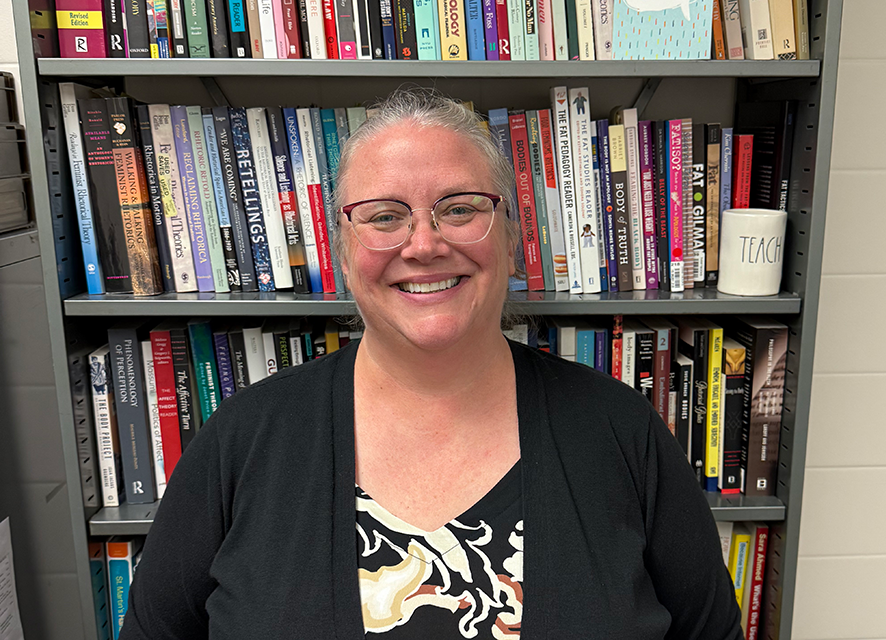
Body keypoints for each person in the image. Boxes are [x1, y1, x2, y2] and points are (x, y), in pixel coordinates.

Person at [121, 90, 743, 639]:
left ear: (512, 235)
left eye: (460, 208)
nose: (424, 245)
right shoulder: (243, 440)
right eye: (385, 217)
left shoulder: (621, 432)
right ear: (343, 251)